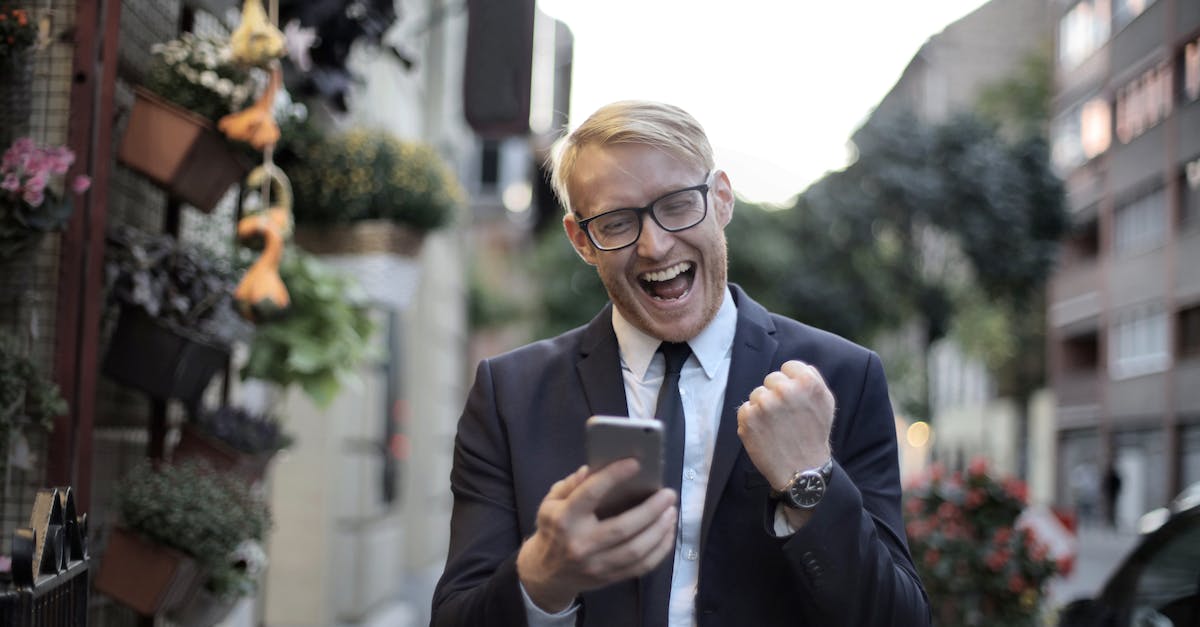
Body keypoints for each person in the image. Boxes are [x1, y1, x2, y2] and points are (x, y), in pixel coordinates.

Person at [431, 101, 931, 626]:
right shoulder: (509, 393)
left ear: (721, 199)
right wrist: (543, 574)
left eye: (676, 205)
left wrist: (810, 482)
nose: (654, 245)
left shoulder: (844, 377)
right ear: (581, 241)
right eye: (616, 222)